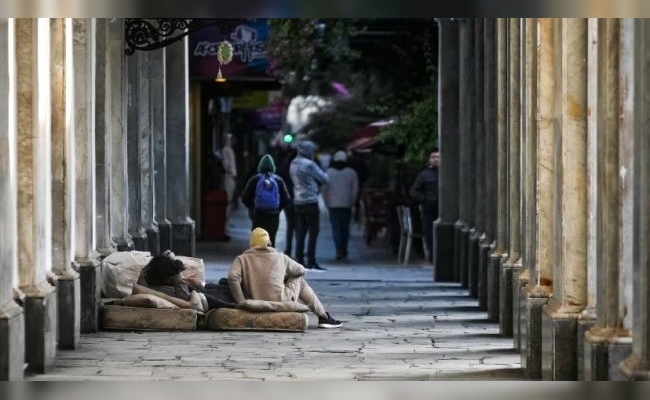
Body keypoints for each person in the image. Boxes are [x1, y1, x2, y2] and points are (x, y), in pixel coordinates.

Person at [228, 227, 342, 328]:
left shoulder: (241, 259)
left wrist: (241, 301)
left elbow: (233, 277)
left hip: (255, 301)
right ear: (268, 243)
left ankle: (323, 317)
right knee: (300, 281)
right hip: (281, 300)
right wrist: (283, 275)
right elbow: (301, 270)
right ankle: (323, 316)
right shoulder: (280, 257)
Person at [290, 140, 329, 271]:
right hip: (310, 201)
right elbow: (324, 179)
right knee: (313, 232)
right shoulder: (310, 164)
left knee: (300, 232)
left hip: (297, 201)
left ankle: (299, 259)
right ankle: (311, 260)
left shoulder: (293, 163)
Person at [241, 154, 291, 247]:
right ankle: (269, 260)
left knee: (257, 241)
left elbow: (244, 198)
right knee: (271, 240)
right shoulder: (278, 180)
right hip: (273, 215)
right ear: (273, 167)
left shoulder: (255, 179)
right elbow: (286, 199)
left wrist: (252, 208)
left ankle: (258, 260)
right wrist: (278, 208)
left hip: (258, 214)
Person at [322, 150, 358, 260]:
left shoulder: (328, 173)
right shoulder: (351, 172)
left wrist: (326, 202)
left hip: (333, 204)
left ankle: (339, 251)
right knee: (345, 228)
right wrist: (352, 201)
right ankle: (344, 249)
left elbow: (324, 189)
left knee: (336, 228)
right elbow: (355, 190)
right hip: (346, 204)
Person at [409, 150, 439, 263]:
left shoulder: (447, 173)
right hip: (429, 209)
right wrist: (424, 199)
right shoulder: (424, 175)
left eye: (438, 157)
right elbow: (413, 191)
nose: (435, 159)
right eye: (433, 157)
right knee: (429, 233)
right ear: (429, 160)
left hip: (444, 209)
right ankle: (432, 257)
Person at [277, 148, 297, 258]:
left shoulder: (284, 169)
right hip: (299, 199)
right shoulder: (300, 169)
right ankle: (299, 249)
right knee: (299, 227)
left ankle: (288, 248)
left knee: (290, 225)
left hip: (288, 199)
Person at [222, 133, 238, 219]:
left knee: (230, 198)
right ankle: (226, 219)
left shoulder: (230, 150)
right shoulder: (226, 150)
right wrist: (229, 170)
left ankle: (228, 218)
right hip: (229, 175)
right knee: (228, 199)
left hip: (232, 176)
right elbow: (226, 164)